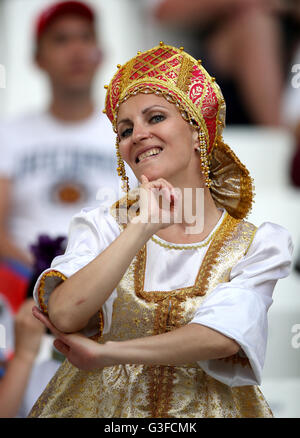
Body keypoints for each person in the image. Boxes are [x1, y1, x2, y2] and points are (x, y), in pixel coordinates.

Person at [28, 43, 292, 418]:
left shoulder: (257, 244)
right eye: (124, 129)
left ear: (198, 128)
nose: (136, 135)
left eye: (155, 118)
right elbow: (66, 315)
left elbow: (221, 337)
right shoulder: (104, 224)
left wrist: (107, 354)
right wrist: (141, 227)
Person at [0, 0, 121, 309]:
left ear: (100, 54)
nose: (77, 50)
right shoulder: (9, 134)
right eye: (62, 40)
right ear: (38, 59)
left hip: (111, 283)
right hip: (22, 283)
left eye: (85, 38)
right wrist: (44, 275)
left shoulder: (129, 132)